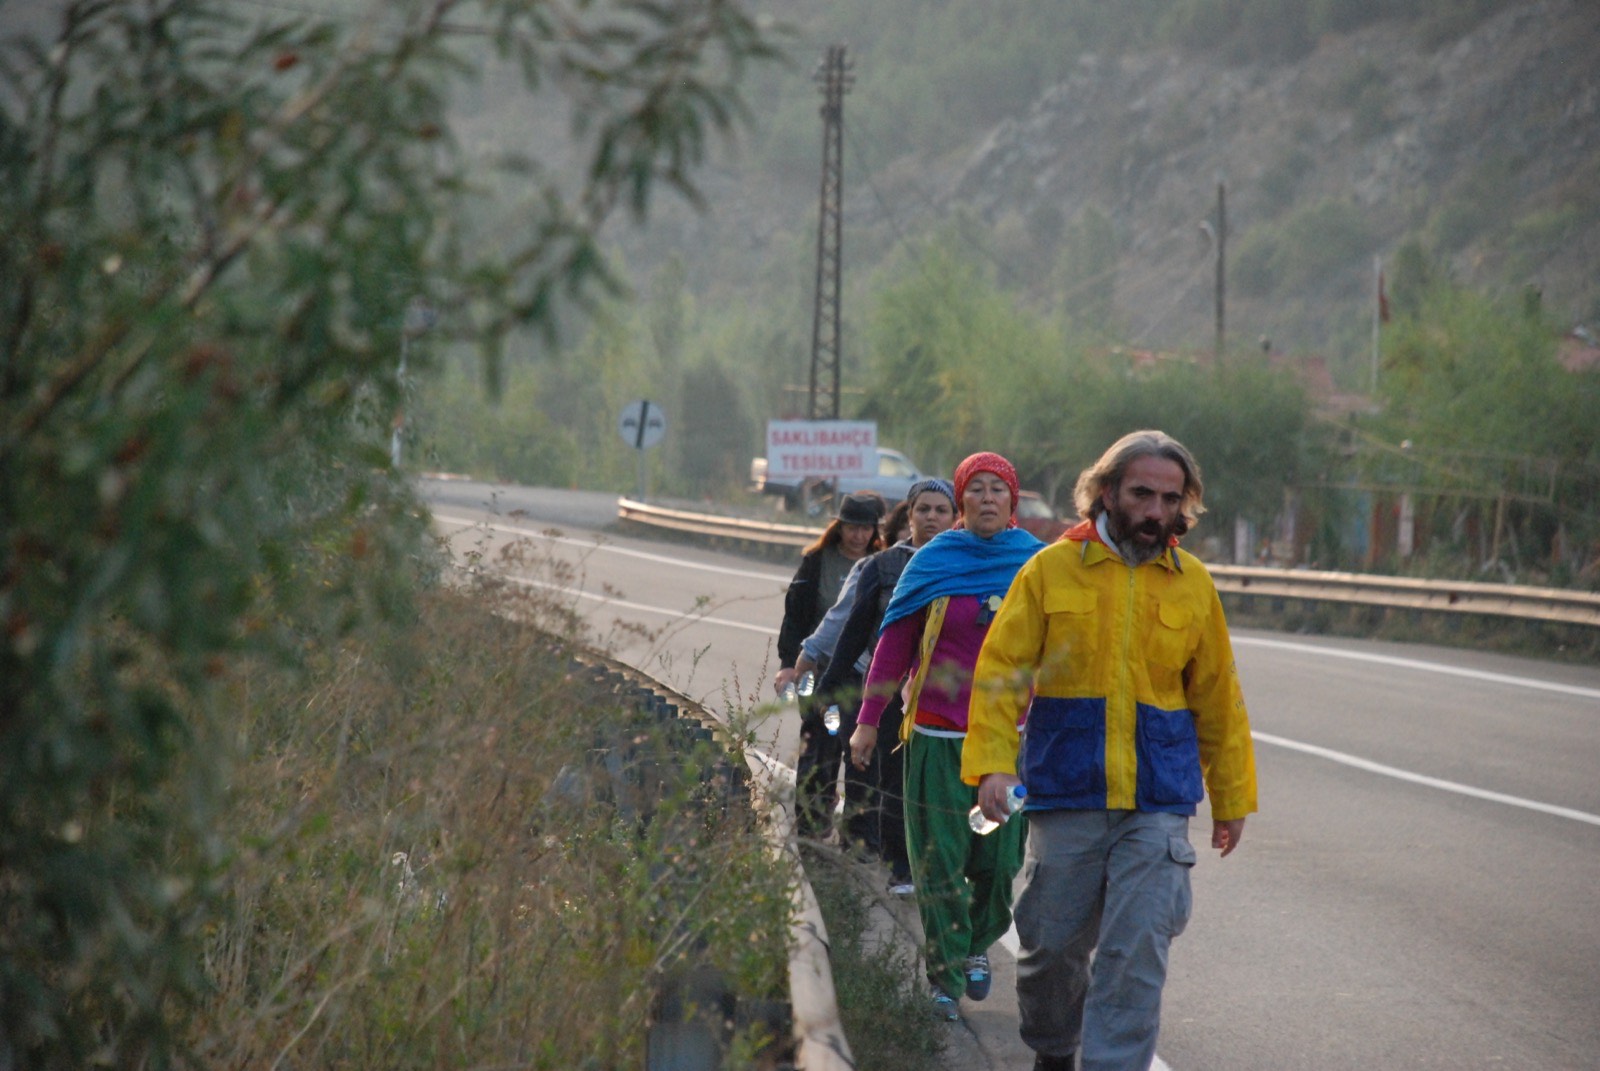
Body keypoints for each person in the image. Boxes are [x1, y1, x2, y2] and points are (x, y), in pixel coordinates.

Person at [962, 430, 1258, 1071]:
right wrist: (992, 764)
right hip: (1069, 791)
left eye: (1170, 498)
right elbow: (1001, 672)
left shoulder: (1193, 585)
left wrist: (1231, 798)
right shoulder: (1049, 570)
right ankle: (1052, 1050)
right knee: (1050, 948)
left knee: (1136, 950)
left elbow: (1218, 698)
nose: (1156, 510)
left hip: (1159, 798)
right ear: (1105, 492)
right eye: (1142, 493)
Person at [847, 453, 1044, 1021]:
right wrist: (866, 720)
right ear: (961, 503)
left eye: (997, 490)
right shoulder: (934, 563)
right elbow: (894, 645)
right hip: (937, 735)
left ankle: (977, 941)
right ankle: (944, 972)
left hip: (1008, 745)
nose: (987, 498)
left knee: (997, 861)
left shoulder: (1033, 565)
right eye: (976, 490)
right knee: (936, 859)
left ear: (1013, 502)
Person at [816, 478, 957, 892]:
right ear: (908, 515)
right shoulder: (882, 566)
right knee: (896, 780)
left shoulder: (965, 563)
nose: (932, 517)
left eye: (941, 510)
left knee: (943, 782)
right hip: (892, 690)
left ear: (954, 518)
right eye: (923, 509)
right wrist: (830, 686)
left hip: (948, 692)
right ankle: (902, 867)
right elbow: (855, 630)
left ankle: (945, 862)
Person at [774, 491, 886, 836]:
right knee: (818, 748)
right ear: (839, 527)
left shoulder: (882, 564)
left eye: (865, 529)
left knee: (857, 754)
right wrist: (789, 663)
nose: (858, 536)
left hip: (860, 673)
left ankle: (858, 835)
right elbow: (795, 617)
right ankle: (812, 832)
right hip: (818, 671)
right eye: (851, 527)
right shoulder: (816, 561)